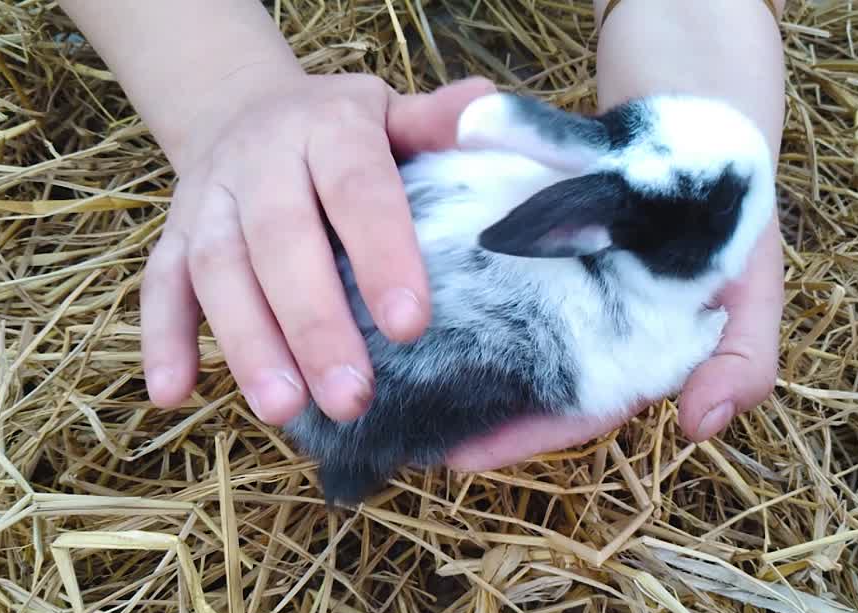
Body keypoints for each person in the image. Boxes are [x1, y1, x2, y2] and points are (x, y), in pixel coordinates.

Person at [56, 0, 787, 471]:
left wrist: (698, 40)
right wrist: (226, 94)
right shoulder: (618, 283)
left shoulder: (568, 216)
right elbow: (618, 360)